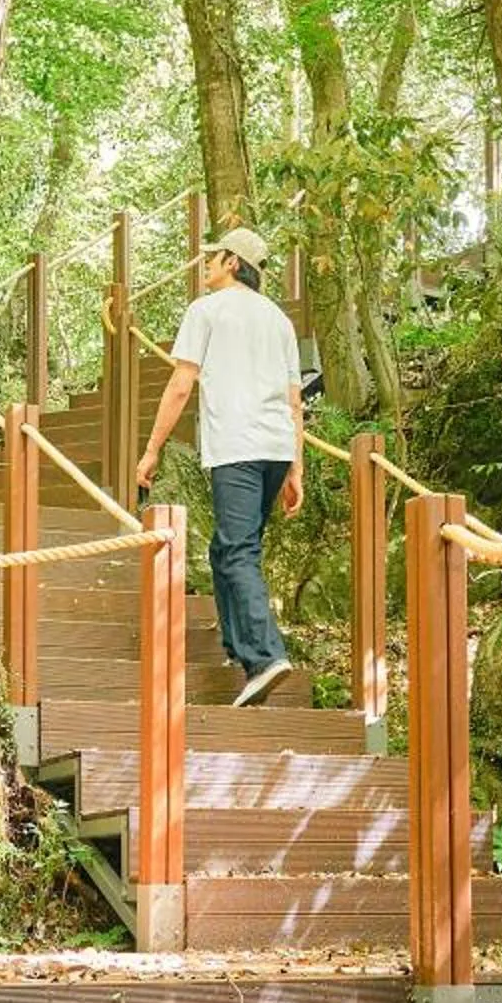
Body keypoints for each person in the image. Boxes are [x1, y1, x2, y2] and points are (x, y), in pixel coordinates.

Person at [135, 225, 304, 707]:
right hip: (275, 449)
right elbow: (295, 402)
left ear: (233, 262)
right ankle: (236, 647)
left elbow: (181, 385)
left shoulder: (206, 311)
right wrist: (296, 470)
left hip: (238, 447)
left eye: (214, 256)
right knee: (225, 549)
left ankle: (265, 657)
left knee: (237, 552)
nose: (206, 263)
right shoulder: (279, 320)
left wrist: (151, 451)